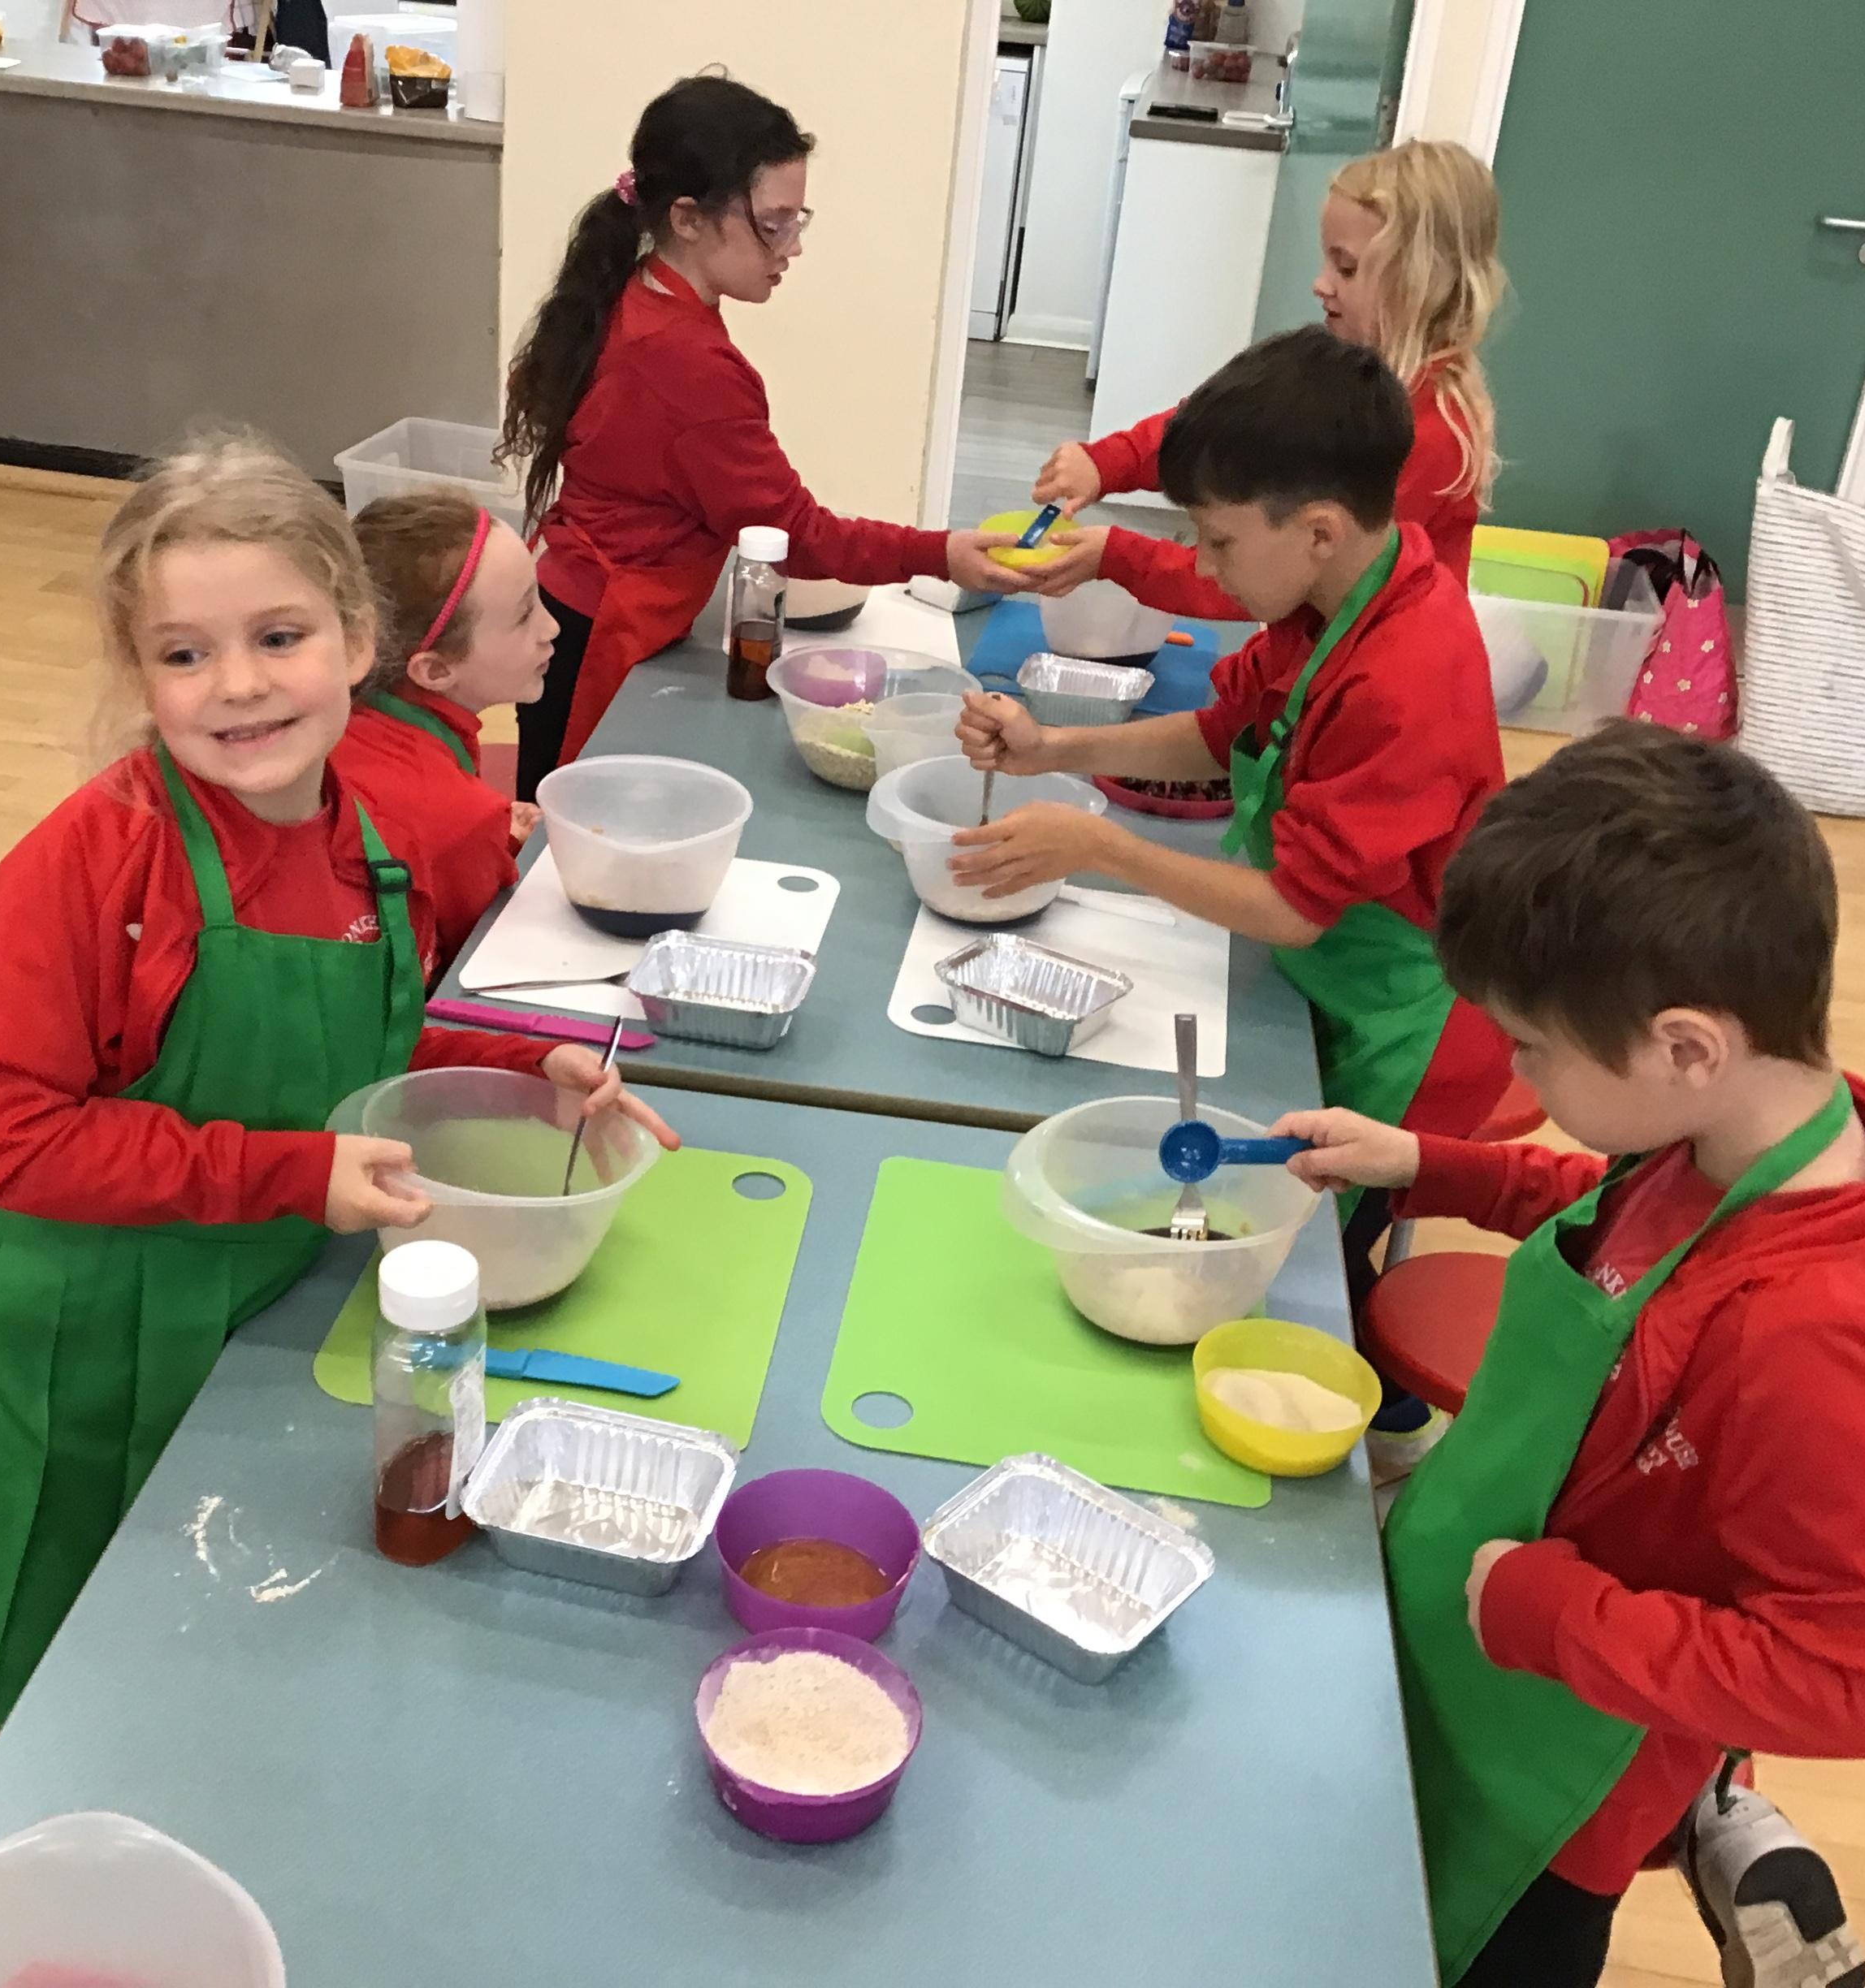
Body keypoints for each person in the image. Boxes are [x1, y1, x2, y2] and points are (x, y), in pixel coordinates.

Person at [0, 434, 677, 1899]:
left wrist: (527, 1066)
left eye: (278, 636)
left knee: (196, 1628)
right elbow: (5, 1135)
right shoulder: (88, 867)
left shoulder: (369, 836)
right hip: (75, 1335)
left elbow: (376, 1019)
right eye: (184, 653)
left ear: (357, 642)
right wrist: (289, 1172)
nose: (239, 685)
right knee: (25, 1681)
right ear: (137, 672)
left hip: (243, 1313)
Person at [1270, 724, 1865, 1988]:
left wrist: (1558, 1613)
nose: (1513, 1068)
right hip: (1464, 1644)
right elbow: (1617, 1229)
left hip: (1546, 1793)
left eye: (1531, 1046)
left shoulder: (1805, 1339)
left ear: (1686, 1046)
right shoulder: (1735, 1125)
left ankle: (1710, 1811)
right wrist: (1436, 1166)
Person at [953, 326, 1511, 1352]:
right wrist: (1050, 750)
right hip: (1330, 980)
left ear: (1320, 530)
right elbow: (1223, 734)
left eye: (1218, 543)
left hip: (1409, 1032)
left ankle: (1377, 1394)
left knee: (1313, 1265)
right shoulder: (1326, 602)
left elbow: (1294, 909)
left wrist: (1100, 846)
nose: (1204, 569)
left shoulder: (1405, 677)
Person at [496, 71, 1024, 796]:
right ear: (688, 218)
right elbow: (794, 533)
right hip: (600, 630)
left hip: (574, 601)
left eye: (798, 219)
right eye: (773, 224)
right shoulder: (687, 362)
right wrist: (943, 553)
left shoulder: (637, 291)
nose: (792, 247)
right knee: (558, 828)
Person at [1027, 138, 1503, 614]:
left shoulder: (1428, 439)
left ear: (1422, 283)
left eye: (1347, 268)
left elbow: (1261, 578)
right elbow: (1225, 434)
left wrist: (1118, 556)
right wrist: (1108, 463)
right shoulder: (1336, 376)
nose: (1320, 283)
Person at [339, 491, 550, 979]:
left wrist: (492, 839)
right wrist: (483, 845)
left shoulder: (344, 713)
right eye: (524, 616)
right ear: (434, 670)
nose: (551, 628)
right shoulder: (460, 815)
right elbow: (467, 963)